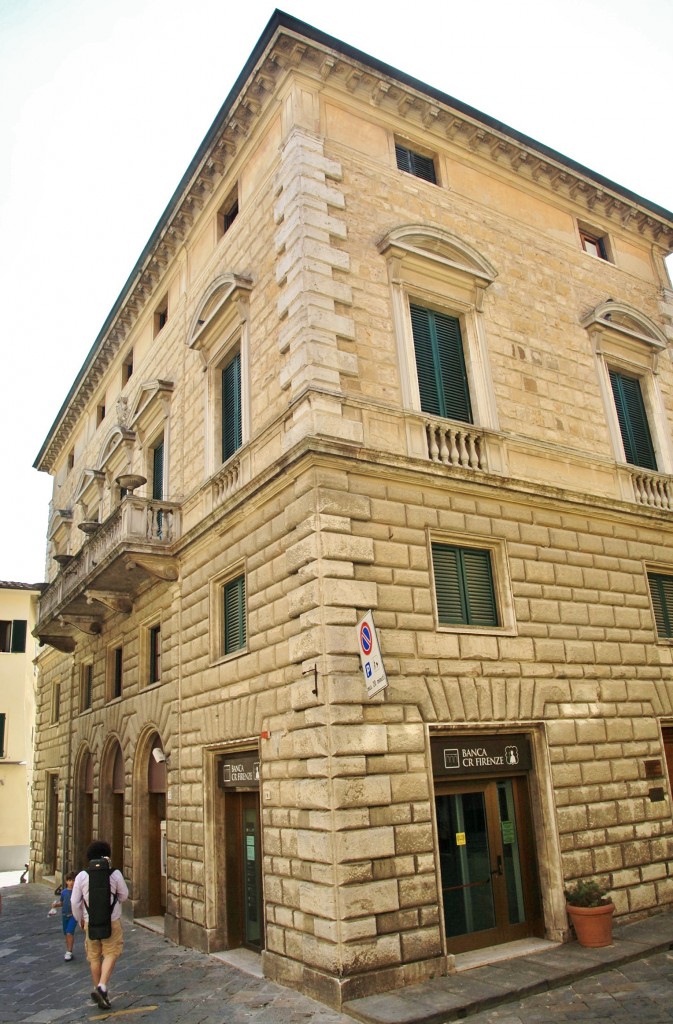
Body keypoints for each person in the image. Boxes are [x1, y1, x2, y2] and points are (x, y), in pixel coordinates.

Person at [71, 840, 129, 1010]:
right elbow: (124, 895)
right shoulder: (114, 873)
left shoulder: (82, 875)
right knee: (111, 952)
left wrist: (80, 918)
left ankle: (99, 991)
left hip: (90, 921)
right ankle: (102, 986)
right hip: (112, 920)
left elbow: (75, 902)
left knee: (94, 956)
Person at [50, 871, 77, 960]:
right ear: (66, 881)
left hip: (73, 915)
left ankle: (69, 951)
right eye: (69, 880)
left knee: (69, 932)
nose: (71, 883)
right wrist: (55, 905)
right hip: (64, 915)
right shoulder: (64, 892)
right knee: (67, 933)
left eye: (73, 880)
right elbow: (62, 902)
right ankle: (69, 949)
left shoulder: (77, 892)